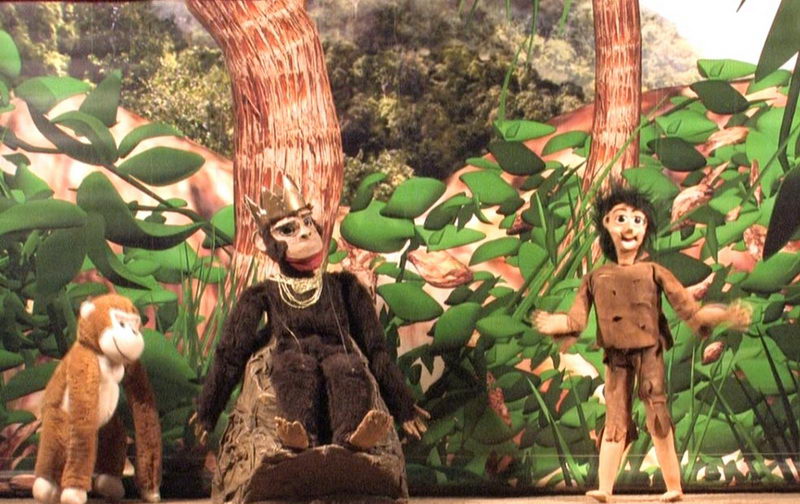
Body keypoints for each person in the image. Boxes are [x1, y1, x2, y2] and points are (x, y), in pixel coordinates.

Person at [533, 184, 750, 503]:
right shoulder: (595, 278)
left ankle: (673, 486)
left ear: (646, 227)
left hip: (649, 352)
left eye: (638, 220)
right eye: (621, 218)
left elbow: (691, 311)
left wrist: (725, 315)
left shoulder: (654, 271)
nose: (630, 226)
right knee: (615, 419)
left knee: (658, 414)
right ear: (607, 223)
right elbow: (576, 320)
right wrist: (556, 323)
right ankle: (605, 488)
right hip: (615, 358)